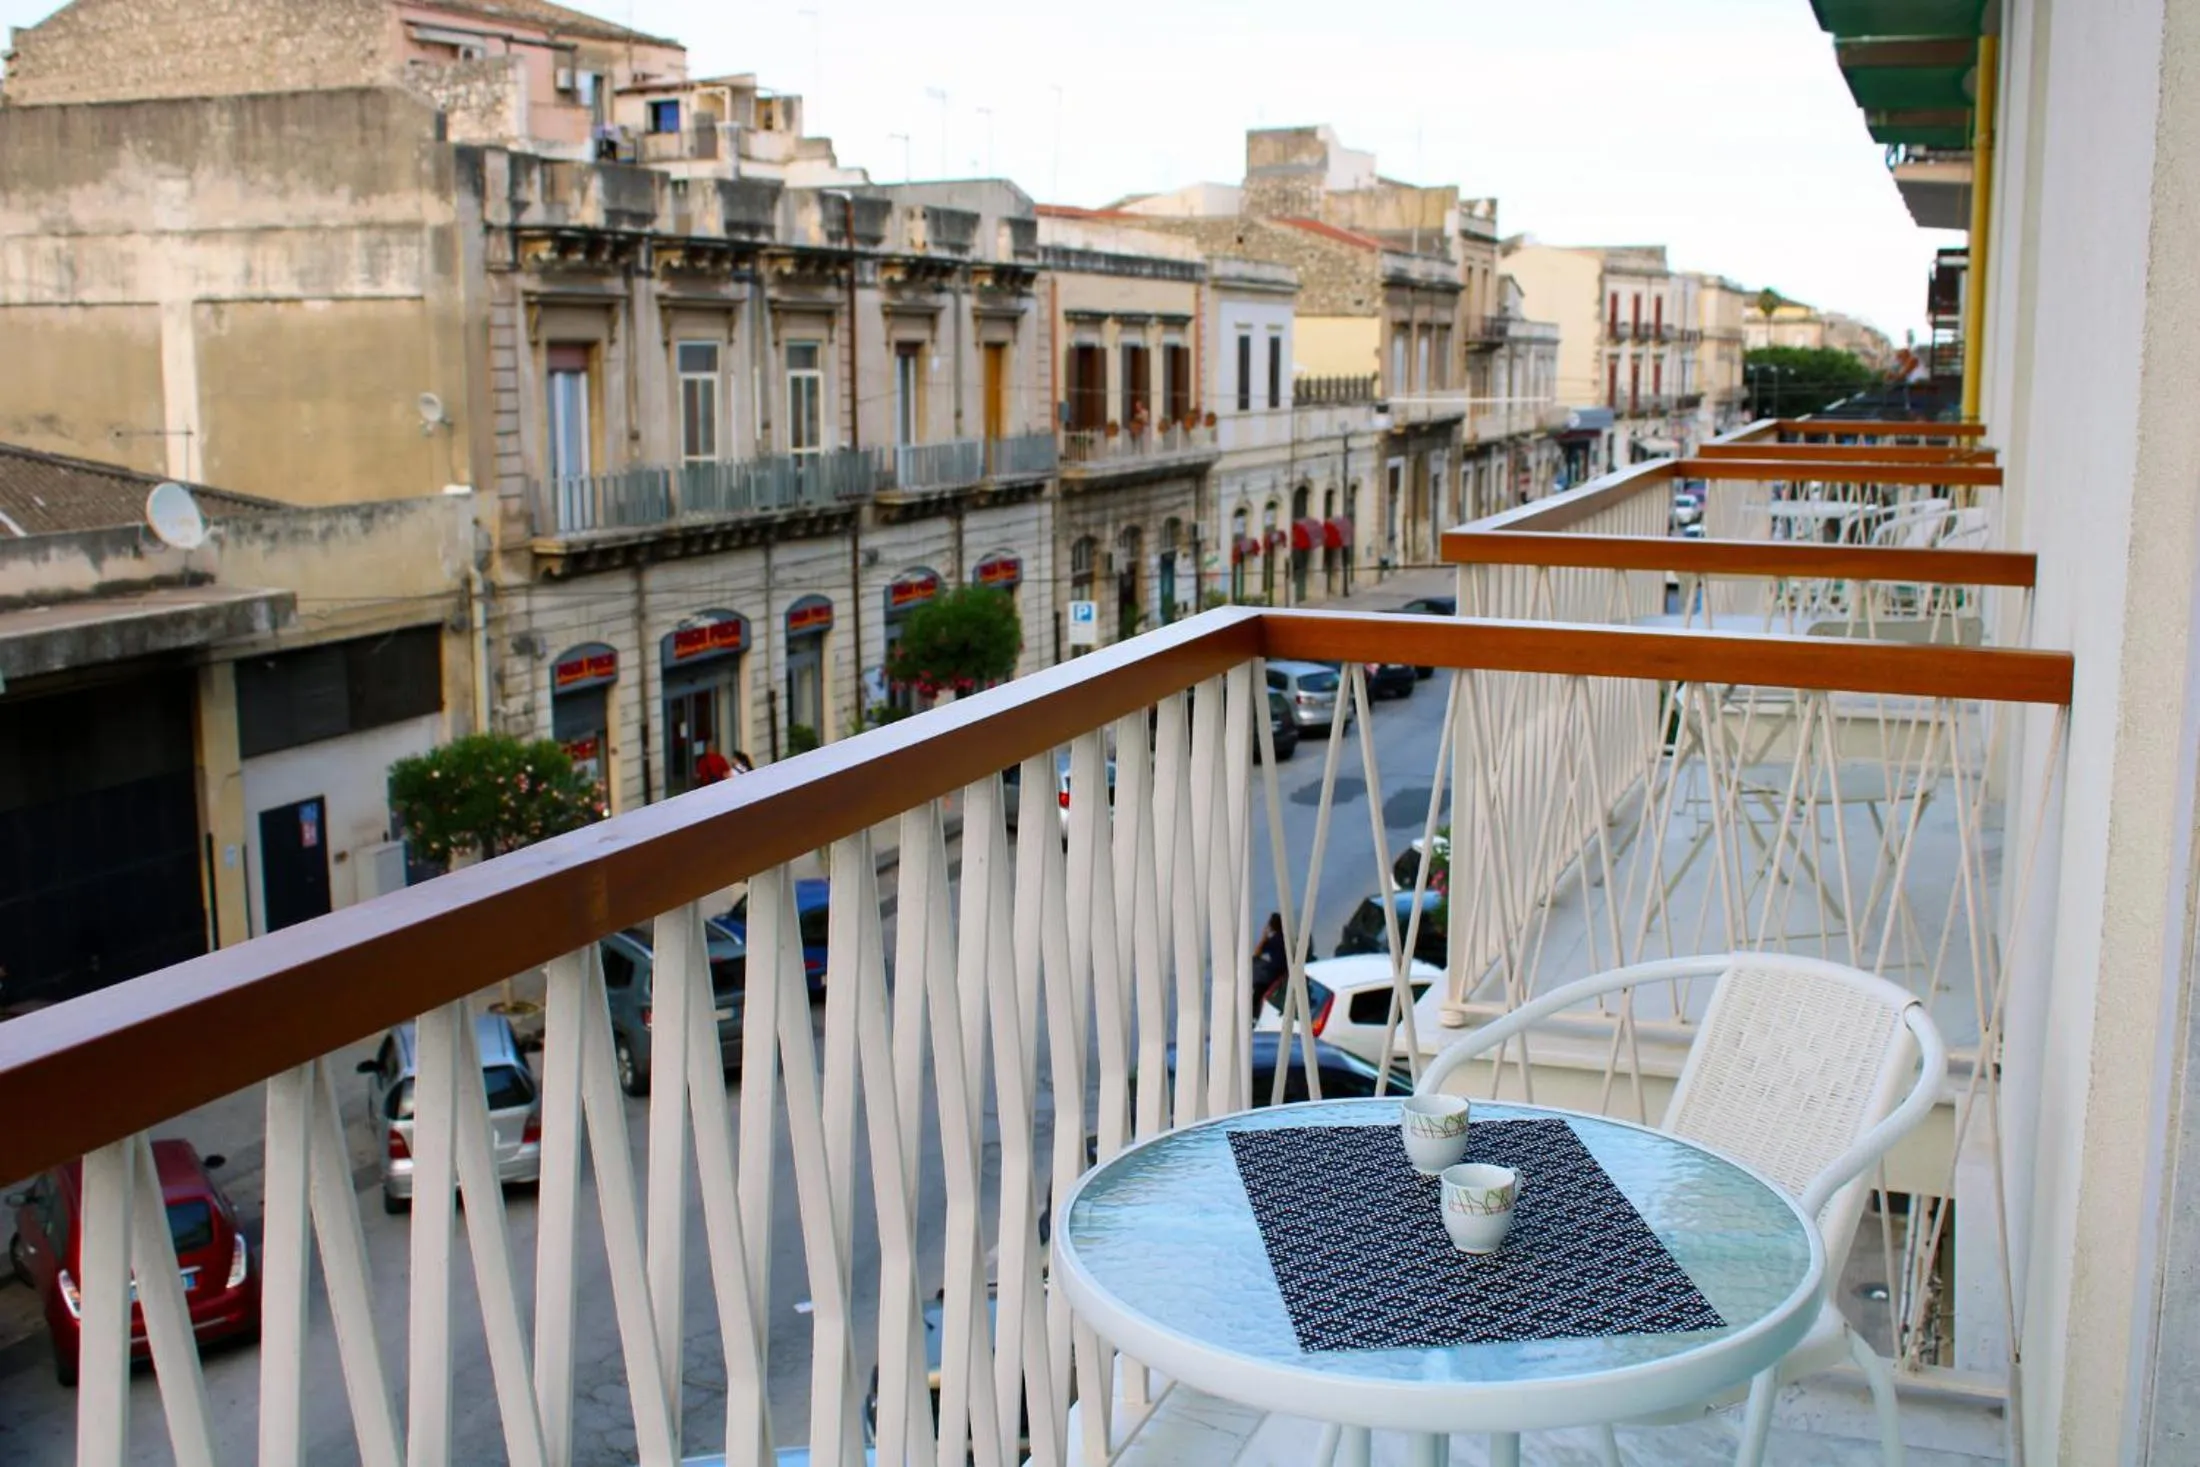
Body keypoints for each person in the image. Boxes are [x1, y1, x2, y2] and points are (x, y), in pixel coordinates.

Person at [1251, 912, 1288, 1013]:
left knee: (1254, 964)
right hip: (1284, 970)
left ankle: (1254, 1009)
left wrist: (1264, 937)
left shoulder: (1274, 940)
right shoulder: (1285, 938)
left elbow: (1257, 953)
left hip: (1276, 973)